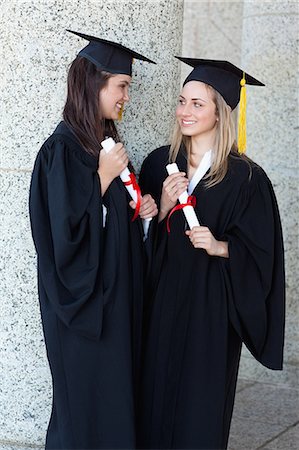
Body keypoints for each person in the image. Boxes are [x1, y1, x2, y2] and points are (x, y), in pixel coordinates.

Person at [137, 58, 285, 450]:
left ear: (220, 113)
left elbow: (263, 256)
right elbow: (133, 239)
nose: (185, 111)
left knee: (199, 408)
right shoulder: (158, 163)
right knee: (154, 393)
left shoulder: (246, 178)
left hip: (211, 313)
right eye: (182, 101)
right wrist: (163, 210)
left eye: (197, 104)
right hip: (162, 304)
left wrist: (221, 246)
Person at [29, 30, 158, 450]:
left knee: (116, 405)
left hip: (115, 306)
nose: (126, 98)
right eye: (121, 87)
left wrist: (140, 214)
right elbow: (61, 239)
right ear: (94, 84)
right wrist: (101, 180)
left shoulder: (105, 144)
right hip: (83, 312)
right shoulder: (61, 151)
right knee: (83, 410)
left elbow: (114, 228)